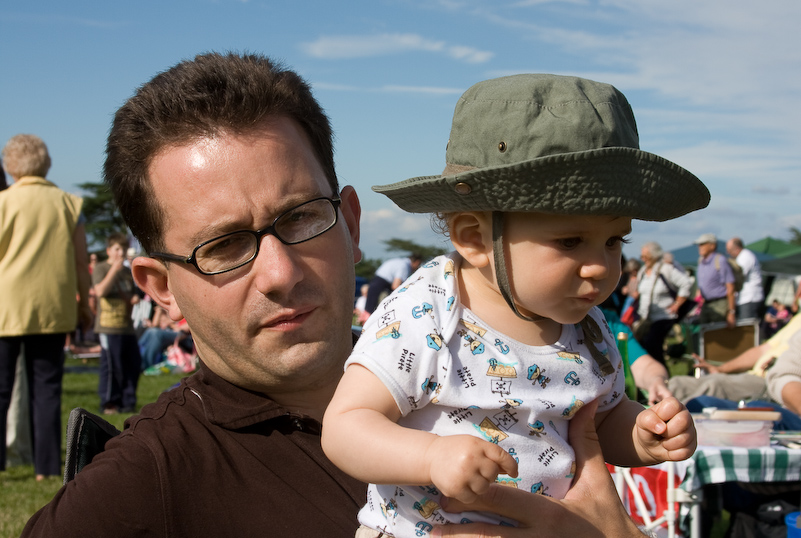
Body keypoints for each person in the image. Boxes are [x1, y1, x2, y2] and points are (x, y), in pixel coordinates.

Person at [21, 53, 668, 538]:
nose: (278, 272)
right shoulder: (153, 478)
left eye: (301, 218)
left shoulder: (455, 359)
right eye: (222, 248)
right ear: (161, 289)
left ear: (351, 223)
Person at [322, 74, 702, 537]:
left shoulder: (590, 329)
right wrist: (431, 456)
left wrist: (643, 434)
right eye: (571, 240)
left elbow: (597, 420)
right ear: (473, 238)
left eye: (613, 240)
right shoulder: (431, 310)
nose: (600, 267)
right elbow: (346, 427)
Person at [0, 134, 93, 481]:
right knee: (47, 390)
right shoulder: (69, 204)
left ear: (10, 166)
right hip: (53, 307)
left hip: (5, 309)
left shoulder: (3, 203)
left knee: (0, 390)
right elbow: (80, 261)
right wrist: (85, 305)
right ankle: (46, 468)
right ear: (47, 162)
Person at [668, 313, 801, 403]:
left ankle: (665, 423)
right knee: (677, 383)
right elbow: (762, 350)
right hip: (751, 375)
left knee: (714, 386)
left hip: (769, 383)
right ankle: (652, 408)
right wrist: (721, 369)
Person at [93, 232, 143, 414]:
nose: (120, 252)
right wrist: (114, 268)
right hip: (107, 326)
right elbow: (100, 292)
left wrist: (134, 299)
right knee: (112, 366)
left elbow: (132, 297)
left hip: (126, 327)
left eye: (122, 248)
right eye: (116, 249)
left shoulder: (127, 272)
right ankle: (109, 403)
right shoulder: (101, 268)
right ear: (108, 251)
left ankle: (128, 402)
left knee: (133, 363)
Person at [631, 241, 695, 367]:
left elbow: (686, 283)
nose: (643, 259)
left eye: (646, 257)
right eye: (642, 257)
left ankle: (661, 376)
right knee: (644, 346)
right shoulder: (643, 271)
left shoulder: (666, 269)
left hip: (664, 316)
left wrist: (677, 304)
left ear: (654, 256)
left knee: (653, 345)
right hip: (646, 317)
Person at [694, 233, 736, 327]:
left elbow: (730, 287)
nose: (699, 247)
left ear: (712, 245)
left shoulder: (720, 260)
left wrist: (731, 312)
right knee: (705, 334)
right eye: (699, 245)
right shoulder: (701, 261)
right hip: (706, 304)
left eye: (702, 244)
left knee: (718, 332)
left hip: (720, 304)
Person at [726, 237, 764, 320]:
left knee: (748, 326)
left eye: (729, 250)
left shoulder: (744, 257)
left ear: (737, 248)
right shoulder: (744, 256)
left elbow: (737, 276)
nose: (728, 253)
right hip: (747, 298)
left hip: (749, 298)